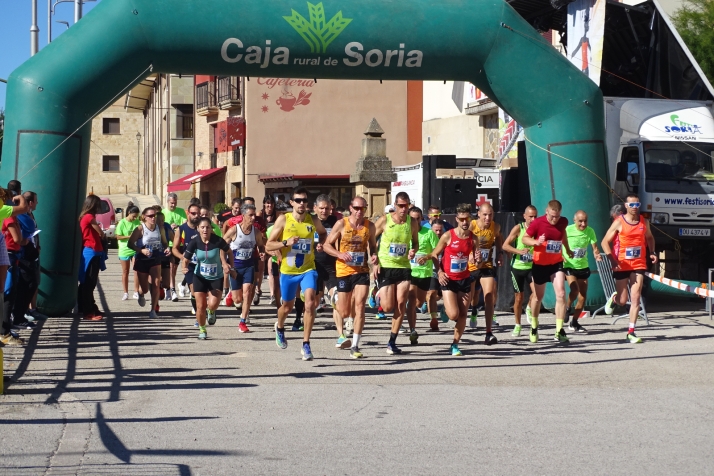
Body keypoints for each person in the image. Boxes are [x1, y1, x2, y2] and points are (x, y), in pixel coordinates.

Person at [266, 187, 328, 360]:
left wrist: (319, 244)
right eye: (298, 200)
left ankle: (306, 344)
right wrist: (285, 242)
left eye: (304, 201)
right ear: (291, 202)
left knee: (310, 303)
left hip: (308, 269)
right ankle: (279, 327)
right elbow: (268, 245)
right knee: (286, 307)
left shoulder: (313, 220)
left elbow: (323, 234)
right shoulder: (283, 220)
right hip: (288, 271)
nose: (302, 204)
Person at [324, 196, 378, 358]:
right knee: (344, 311)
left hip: (361, 271)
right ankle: (334, 298)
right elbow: (327, 245)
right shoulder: (342, 224)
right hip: (343, 271)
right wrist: (340, 254)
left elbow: (373, 246)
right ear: (351, 208)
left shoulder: (370, 226)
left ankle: (355, 345)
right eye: (356, 208)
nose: (359, 211)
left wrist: (374, 256)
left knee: (360, 306)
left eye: (362, 208)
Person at [601, 194, 656, 344]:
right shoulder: (619, 222)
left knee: (636, 297)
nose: (634, 208)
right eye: (631, 205)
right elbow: (604, 242)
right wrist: (612, 258)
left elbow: (649, 237)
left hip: (638, 264)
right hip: (622, 264)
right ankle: (614, 299)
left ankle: (631, 331)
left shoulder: (644, 222)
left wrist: (652, 252)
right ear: (626, 206)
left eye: (637, 205)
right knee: (623, 300)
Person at [373, 192, 420, 355]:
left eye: (406, 206)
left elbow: (415, 242)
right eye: (400, 206)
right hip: (386, 266)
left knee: (401, 303)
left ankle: (392, 341)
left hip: (404, 267)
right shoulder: (385, 220)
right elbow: (371, 239)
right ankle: (376, 293)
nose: (403, 209)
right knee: (387, 307)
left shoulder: (412, 222)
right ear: (395, 205)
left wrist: (414, 250)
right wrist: (375, 261)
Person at [522, 200, 574, 344]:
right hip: (540, 264)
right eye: (552, 216)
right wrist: (536, 242)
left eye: (556, 216)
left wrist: (567, 249)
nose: (554, 219)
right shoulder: (537, 223)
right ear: (546, 211)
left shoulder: (563, 221)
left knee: (561, 293)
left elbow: (562, 234)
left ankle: (559, 330)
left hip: (556, 263)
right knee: (538, 297)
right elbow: (524, 238)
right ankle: (533, 326)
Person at [429, 203, 478, 356]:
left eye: (467, 219)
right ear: (457, 219)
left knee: (463, 314)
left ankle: (455, 344)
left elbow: (474, 258)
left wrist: (476, 258)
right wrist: (440, 271)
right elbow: (434, 254)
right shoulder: (448, 235)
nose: (465, 222)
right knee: (453, 315)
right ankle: (445, 308)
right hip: (448, 280)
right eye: (462, 219)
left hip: (464, 279)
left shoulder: (473, 238)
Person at [183, 217, 232, 339]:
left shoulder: (218, 241)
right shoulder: (195, 241)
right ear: (198, 228)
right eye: (202, 227)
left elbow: (229, 252)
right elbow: (186, 258)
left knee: (213, 304)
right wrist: (184, 267)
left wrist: (230, 265)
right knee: (200, 306)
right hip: (199, 276)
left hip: (216, 276)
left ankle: (211, 311)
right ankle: (202, 329)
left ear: (211, 228)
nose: (205, 230)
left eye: (207, 227)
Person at [223, 202, 266, 333]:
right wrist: (224, 263)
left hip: (249, 266)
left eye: (254, 215)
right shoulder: (234, 230)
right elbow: (222, 246)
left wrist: (262, 251)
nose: (253, 218)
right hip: (235, 267)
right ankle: (231, 293)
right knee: (238, 299)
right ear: (243, 216)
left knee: (248, 291)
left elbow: (261, 245)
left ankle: (243, 320)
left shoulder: (256, 232)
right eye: (251, 215)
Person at [469, 203, 503, 345]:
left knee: (489, 295)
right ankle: (473, 311)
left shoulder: (495, 226)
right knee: (470, 297)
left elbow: (499, 238)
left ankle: (489, 332)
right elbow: (462, 240)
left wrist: (500, 253)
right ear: (479, 214)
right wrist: (470, 254)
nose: (487, 217)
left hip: (487, 265)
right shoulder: (472, 225)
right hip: (471, 266)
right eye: (485, 214)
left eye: (490, 215)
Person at [563, 210, 602, 333]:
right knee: (574, 289)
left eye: (585, 221)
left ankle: (574, 322)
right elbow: (559, 243)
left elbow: (595, 248)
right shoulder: (567, 230)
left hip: (583, 266)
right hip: (569, 265)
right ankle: (567, 307)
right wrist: (561, 256)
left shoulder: (590, 231)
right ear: (574, 220)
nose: (583, 224)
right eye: (580, 221)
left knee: (583, 297)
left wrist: (597, 255)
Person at [128, 207, 171, 318]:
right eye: (150, 216)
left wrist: (167, 248)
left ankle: (153, 310)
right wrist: (141, 250)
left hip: (155, 258)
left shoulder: (159, 228)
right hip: (142, 259)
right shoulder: (140, 229)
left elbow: (164, 242)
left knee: (156, 284)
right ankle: (141, 293)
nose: (153, 218)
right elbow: (130, 244)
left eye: (154, 215)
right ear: (144, 217)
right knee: (145, 288)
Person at [502, 205, 538, 337]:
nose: (533, 219)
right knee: (519, 298)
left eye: (535, 216)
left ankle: (529, 307)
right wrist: (519, 251)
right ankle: (517, 324)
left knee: (537, 293)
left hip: (532, 267)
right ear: (524, 216)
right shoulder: (519, 228)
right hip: (517, 267)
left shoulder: (538, 228)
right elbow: (505, 245)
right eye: (530, 217)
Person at [406, 206, 439, 345]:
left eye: (418, 218)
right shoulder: (405, 232)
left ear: (422, 219)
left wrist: (426, 257)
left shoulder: (429, 233)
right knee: (412, 299)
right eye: (412, 218)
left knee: (419, 302)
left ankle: (412, 310)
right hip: (410, 272)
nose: (415, 221)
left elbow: (437, 251)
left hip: (425, 273)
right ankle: (412, 329)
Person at [0, 189, 30, 344]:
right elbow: (18, 238)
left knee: (7, 293)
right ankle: (4, 331)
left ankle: (4, 330)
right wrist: (20, 197)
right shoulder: (6, 214)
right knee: (7, 293)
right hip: (10, 255)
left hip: (9, 255)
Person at [77, 195, 107, 321]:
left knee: (88, 282)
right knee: (89, 283)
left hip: (92, 251)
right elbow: (100, 232)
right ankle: (87, 311)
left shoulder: (85, 216)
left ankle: (89, 307)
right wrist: (102, 235)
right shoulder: (89, 217)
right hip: (91, 251)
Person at [17, 191, 46, 323]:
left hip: (32, 253)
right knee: (25, 285)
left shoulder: (28, 214)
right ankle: (19, 315)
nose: (37, 203)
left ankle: (28, 311)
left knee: (33, 283)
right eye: (36, 200)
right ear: (30, 202)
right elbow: (27, 230)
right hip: (22, 255)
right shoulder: (21, 215)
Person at [313, 195, 339, 328]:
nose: (324, 211)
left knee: (336, 295)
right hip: (313, 264)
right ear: (315, 208)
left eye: (327, 208)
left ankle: (341, 326)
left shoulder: (336, 221)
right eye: (321, 208)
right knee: (315, 300)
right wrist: (315, 245)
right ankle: (307, 318)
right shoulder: (309, 221)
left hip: (331, 264)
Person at [173, 204, 201, 320]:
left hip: (203, 264)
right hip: (189, 265)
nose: (196, 216)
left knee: (203, 292)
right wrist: (182, 257)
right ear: (188, 213)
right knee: (194, 291)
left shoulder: (203, 227)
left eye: (198, 213)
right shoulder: (181, 229)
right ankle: (198, 312)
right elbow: (174, 248)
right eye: (193, 213)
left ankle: (201, 310)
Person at [162, 193, 187, 302]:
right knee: (170, 268)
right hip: (168, 245)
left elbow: (185, 223)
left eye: (175, 203)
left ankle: (170, 286)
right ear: (167, 202)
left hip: (179, 244)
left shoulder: (181, 211)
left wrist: (178, 226)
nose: (173, 205)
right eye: (172, 203)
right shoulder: (163, 213)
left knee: (174, 269)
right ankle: (171, 290)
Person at [116, 205, 141, 300]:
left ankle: (136, 291)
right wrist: (129, 237)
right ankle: (125, 292)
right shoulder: (122, 222)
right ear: (129, 213)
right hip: (124, 249)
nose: (135, 218)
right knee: (125, 271)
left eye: (136, 216)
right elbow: (118, 236)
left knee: (136, 270)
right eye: (133, 216)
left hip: (135, 249)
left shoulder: (137, 222)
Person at [259, 196, 280, 305]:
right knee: (260, 269)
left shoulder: (278, 215)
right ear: (264, 204)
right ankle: (258, 288)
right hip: (262, 242)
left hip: (273, 244)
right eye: (267, 203)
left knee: (272, 268)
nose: (269, 206)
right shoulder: (259, 215)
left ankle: (273, 295)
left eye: (271, 203)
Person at [426, 219, 446, 331]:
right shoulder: (428, 238)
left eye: (440, 230)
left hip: (446, 271)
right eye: (436, 230)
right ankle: (434, 319)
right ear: (431, 230)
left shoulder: (446, 238)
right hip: (432, 270)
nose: (438, 233)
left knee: (441, 295)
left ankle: (446, 307)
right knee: (432, 293)